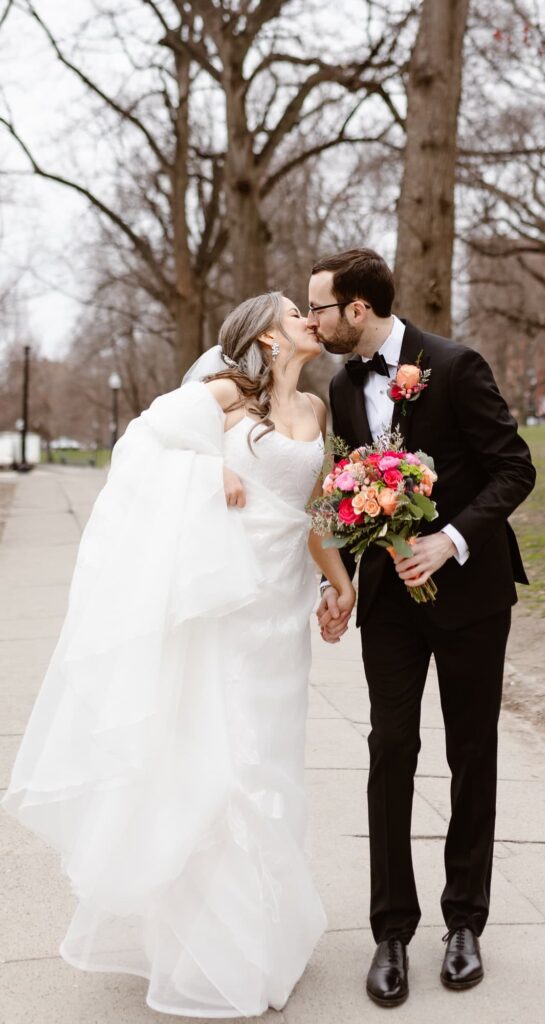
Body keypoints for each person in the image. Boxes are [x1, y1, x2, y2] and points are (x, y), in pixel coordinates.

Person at [2, 293, 355, 1019]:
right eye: (296, 312)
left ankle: (261, 940)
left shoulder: (317, 413)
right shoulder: (224, 392)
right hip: (220, 605)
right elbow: (140, 447)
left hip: (280, 609)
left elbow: (314, 515)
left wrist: (340, 583)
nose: (310, 320)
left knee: (271, 763)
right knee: (219, 764)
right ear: (263, 331)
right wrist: (207, 472)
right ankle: (211, 955)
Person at [310, 249, 536, 1007]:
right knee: (390, 752)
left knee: (472, 752)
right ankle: (390, 932)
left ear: (359, 309)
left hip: (472, 597)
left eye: (320, 308)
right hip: (389, 608)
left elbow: (515, 468)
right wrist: (334, 584)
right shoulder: (342, 387)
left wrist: (452, 539)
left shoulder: (456, 364)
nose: (312, 321)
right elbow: (346, 500)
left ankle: (465, 922)